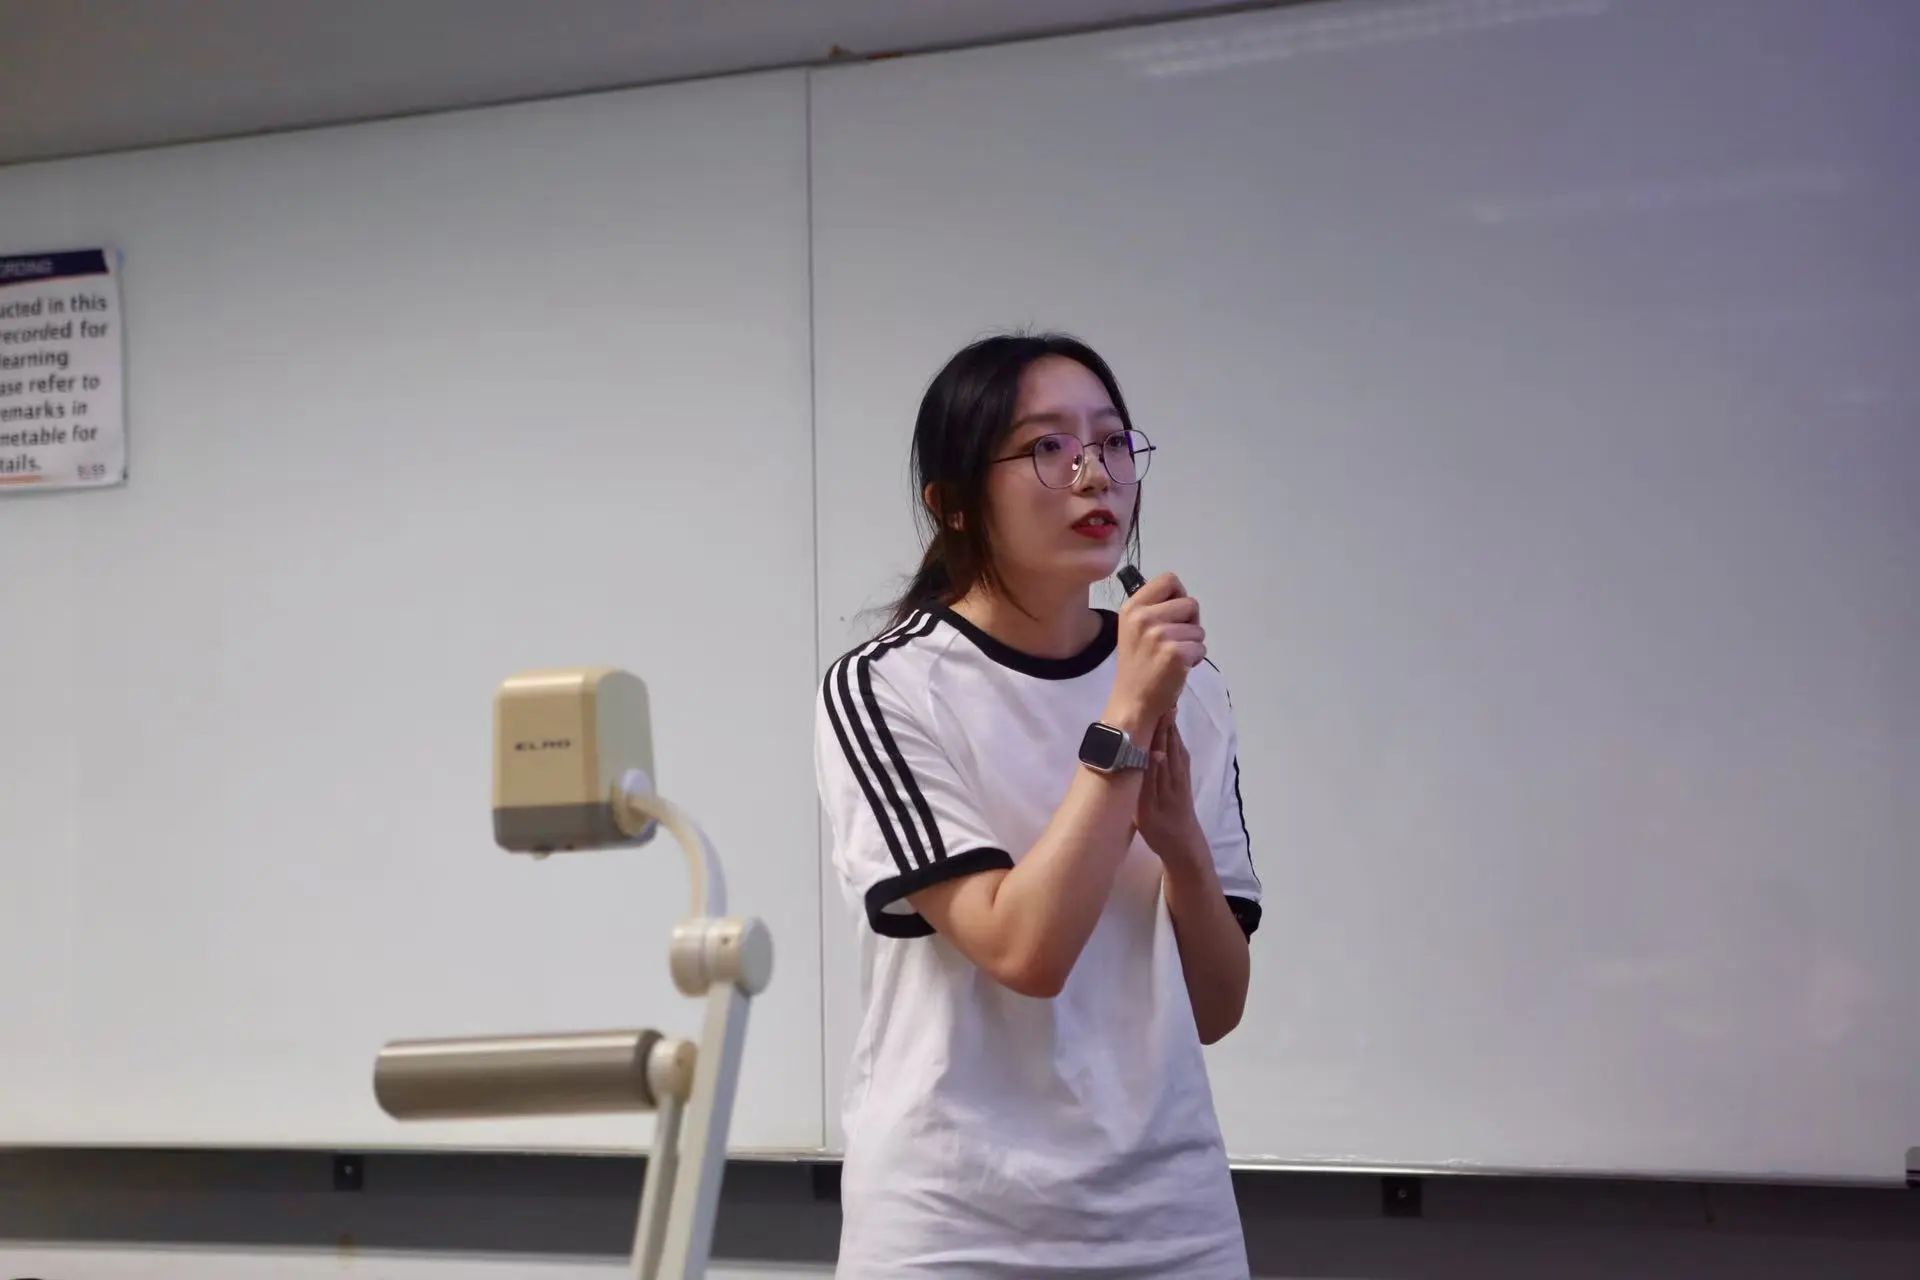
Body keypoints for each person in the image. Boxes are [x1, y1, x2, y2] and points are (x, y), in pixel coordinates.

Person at [815, 332, 1262, 1278]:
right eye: (1047, 448)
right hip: (955, 1225)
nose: (1094, 475)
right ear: (953, 504)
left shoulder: (1194, 689)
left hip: (1169, 1220)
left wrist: (1183, 850)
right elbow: (1026, 952)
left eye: (1112, 442)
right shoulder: (889, 687)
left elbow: (1216, 1008)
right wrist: (1126, 717)